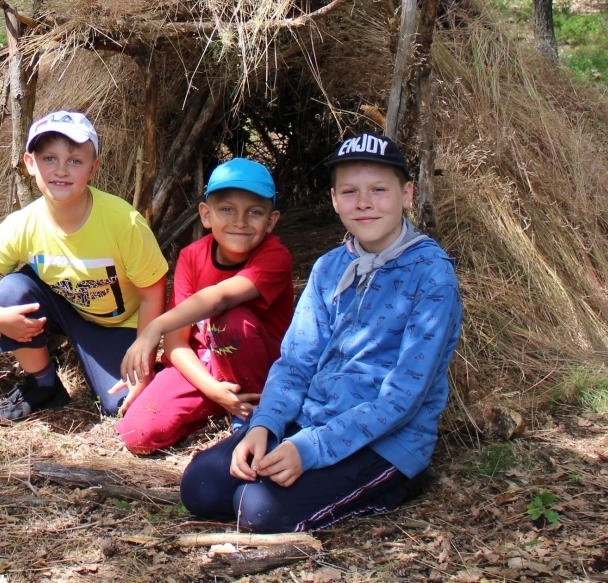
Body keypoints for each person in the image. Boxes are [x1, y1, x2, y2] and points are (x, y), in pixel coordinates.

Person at [180, 131, 462, 532]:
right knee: (201, 487)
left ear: (407, 194)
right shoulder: (330, 267)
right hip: (313, 419)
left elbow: (404, 395)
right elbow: (296, 362)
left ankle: (397, 483)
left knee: (255, 508)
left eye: (379, 189)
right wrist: (265, 425)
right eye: (350, 191)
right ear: (334, 199)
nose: (363, 202)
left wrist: (311, 449)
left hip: (387, 439)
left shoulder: (432, 274)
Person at [0, 111, 168, 421]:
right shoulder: (25, 223)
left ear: (93, 168)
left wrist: (144, 358)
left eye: (75, 161)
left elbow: (153, 292)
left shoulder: (123, 222)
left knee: (122, 404)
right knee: (13, 290)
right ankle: (43, 384)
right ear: (30, 163)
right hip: (63, 308)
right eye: (49, 158)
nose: (60, 170)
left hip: (119, 323)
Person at [117, 158, 294, 454]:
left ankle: (253, 414)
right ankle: (220, 403)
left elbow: (220, 298)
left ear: (271, 221)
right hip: (206, 365)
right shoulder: (192, 256)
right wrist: (213, 389)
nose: (240, 221)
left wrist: (155, 327)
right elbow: (176, 342)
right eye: (227, 209)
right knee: (137, 434)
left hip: (257, 367)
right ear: (206, 215)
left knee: (229, 319)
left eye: (254, 212)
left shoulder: (275, 257)